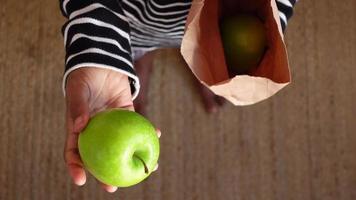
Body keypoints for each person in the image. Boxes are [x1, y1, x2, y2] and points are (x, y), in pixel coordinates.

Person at [60, 0, 297, 193]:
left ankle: (199, 56)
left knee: (199, 38)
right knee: (134, 41)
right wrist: (98, 50)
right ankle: (140, 56)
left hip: (213, 13)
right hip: (124, 14)